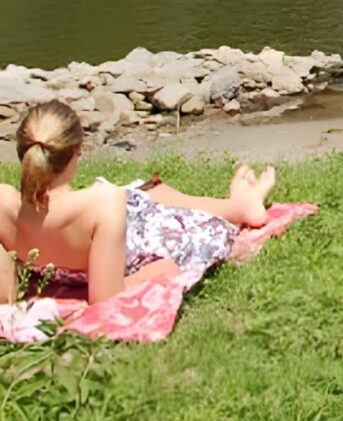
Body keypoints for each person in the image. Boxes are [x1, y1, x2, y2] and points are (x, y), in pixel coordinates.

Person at [2, 101, 276, 306]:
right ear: (78, 150)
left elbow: (6, 290)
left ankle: (239, 203)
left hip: (72, 261)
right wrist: (153, 273)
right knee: (157, 205)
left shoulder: (3, 201)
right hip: (126, 251)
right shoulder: (101, 203)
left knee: (143, 192)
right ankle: (241, 207)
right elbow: (104, 298)